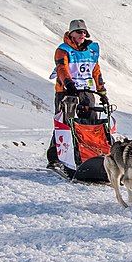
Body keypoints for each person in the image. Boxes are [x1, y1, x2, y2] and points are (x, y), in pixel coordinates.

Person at [47, 19, 107, 167]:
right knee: (65, 124)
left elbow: (96, 71)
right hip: (67, 92)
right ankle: (56, 156)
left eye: (84, 32)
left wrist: (102, 91)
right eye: (79, 31)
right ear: (71, 33)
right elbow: (62, 68)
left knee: (91, 123)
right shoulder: (63, 49)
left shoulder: (91, 50)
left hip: (86, 91)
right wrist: (68, 84)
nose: (82, 34)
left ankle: (91, 156)